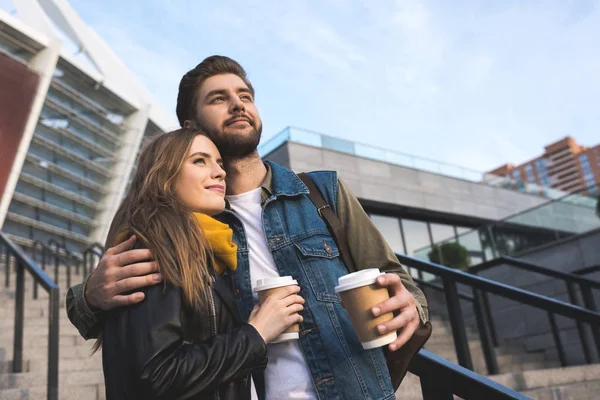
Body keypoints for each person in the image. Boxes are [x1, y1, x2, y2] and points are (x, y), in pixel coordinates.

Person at [67, 55, 431, 400]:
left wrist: (411, 304)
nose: (238, 105)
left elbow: (396, 280)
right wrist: (87, 298)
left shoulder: (323, 193)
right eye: (219, 98)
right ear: (190, 126)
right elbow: (145, 335)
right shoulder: (188, 223)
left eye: (245, 96)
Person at [97, 128, 305, 399]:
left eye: (219, 163)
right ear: (164, 175)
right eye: (199, 161)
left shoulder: (201, 250)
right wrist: (257, 333)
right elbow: (158, 375)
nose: (219, 172)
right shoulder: (154, 250)